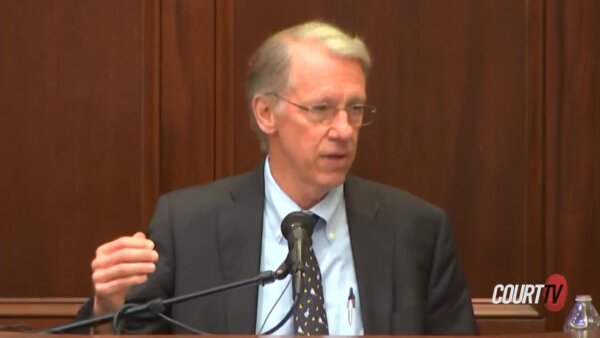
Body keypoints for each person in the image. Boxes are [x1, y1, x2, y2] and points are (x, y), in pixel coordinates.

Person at [76, 20, 478, 335]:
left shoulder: (417, 231)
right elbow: (135, 330)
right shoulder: (187, 224)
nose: (343, 129)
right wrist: (109, 308)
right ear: (266, 114)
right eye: (321, 108)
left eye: (355, 108)